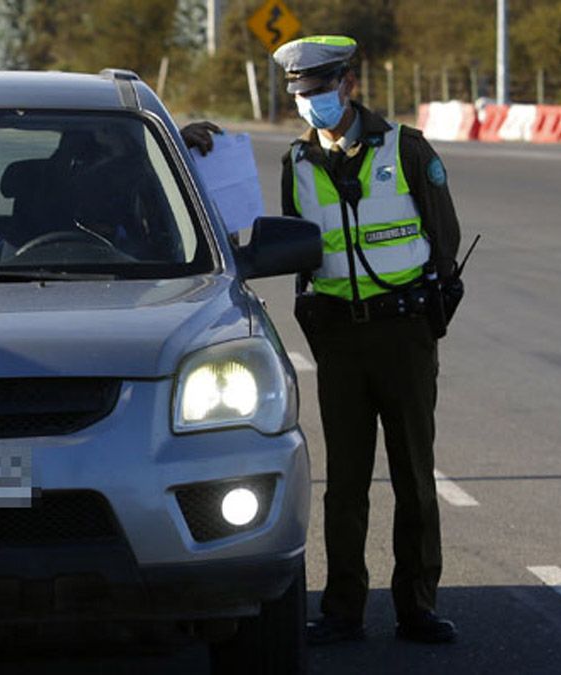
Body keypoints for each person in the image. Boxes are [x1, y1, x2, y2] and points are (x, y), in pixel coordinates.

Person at [183, 35, 462, 646]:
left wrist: (427, 317)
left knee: (414, 475)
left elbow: (445, 238)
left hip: (403, 332)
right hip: (340, 340)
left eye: (319, 92)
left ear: (349, 86)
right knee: (345, 484)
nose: (312, 105)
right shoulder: (298, 163)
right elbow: (296, 247)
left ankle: (417, 606)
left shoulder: (405, 149)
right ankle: (344, 610)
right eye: (301, 96)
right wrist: (190, 141)